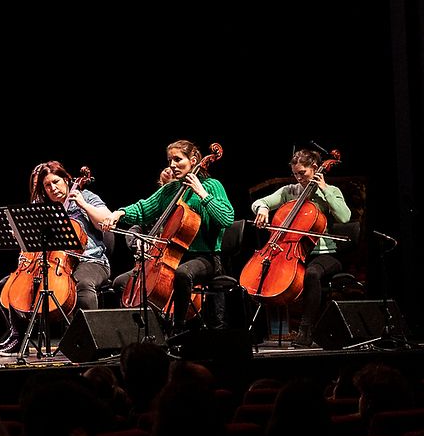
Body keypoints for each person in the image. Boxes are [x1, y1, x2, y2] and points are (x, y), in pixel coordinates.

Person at [102, 139, 234, 334]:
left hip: (206, 258)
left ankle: (178, 330)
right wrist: (118, 213)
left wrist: (202, 193)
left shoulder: (212, 186)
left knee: (182, 274)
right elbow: (142, 209)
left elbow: (226, 218)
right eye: (170, 160)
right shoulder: (170, 190)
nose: (172, 165)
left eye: (178, 159)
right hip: (171, 257)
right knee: (121, 282)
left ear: (194, 159)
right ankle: (156, 329)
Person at [0, 161, 111, 355]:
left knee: (82, 284)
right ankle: (17, 336)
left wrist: (82, 203)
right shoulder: (44, 207)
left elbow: (106, 221)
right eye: (47, 186)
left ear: (66, 179)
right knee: (6, 284)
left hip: (91, 260)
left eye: (56, 182)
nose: (53, 188)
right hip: (54, 263)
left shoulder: (87, 197)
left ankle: (90, 340)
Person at [249, 148, 351, 348]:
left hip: (326, 254)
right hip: (293, 253)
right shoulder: (289, 191)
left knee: (311, 274)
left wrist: (325, 190)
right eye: (295, 173)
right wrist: (261, 208)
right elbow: (260, 202)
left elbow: (345, 216)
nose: (299, 178)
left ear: (315, 168)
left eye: (302, 173)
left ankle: (306, 330)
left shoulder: (331, 192)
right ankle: (258, 332)